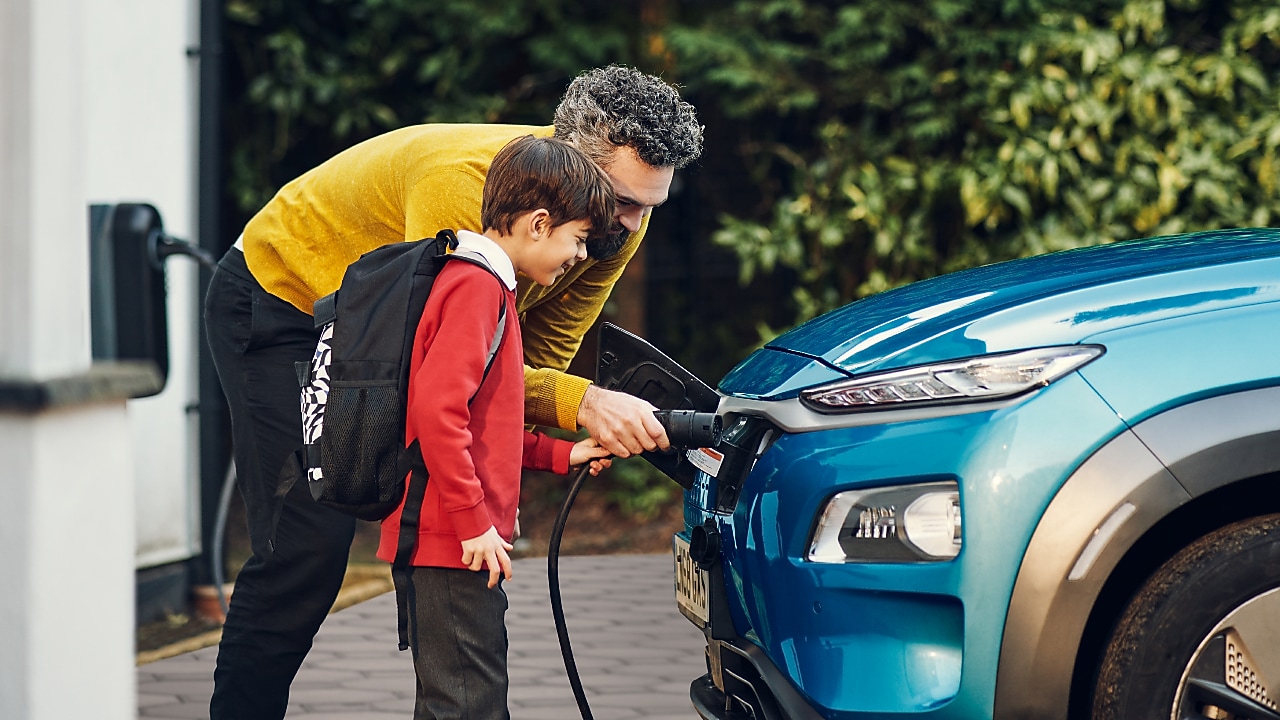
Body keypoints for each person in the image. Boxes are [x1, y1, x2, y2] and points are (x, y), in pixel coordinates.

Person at [202, 65, 703, 719]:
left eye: (649, 206)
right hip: (282, 302)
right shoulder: (467, 190)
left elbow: (527, 363)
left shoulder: (606, 227)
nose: (632, 226)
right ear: (563, 172)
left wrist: (561, 430)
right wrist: (583, 403)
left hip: (381, 340)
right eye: (621, 201)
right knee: (306, 545)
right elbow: (433, 367)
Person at [383, 134, 614, 719]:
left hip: (454, 537)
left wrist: (565, 456)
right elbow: (438, 412)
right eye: (578, 239)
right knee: (469, 705)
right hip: (449, 539)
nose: (580, 257)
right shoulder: (475, 287)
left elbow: (490, 422)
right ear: (539, 224)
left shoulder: (492, 289)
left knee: (456, 701)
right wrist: (472, 524)